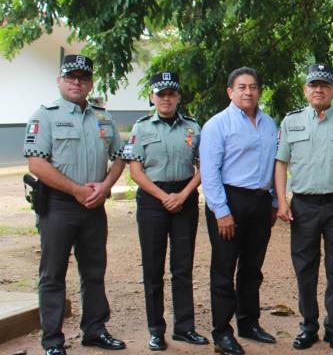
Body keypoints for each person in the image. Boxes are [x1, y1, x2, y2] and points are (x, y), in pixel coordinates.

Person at [24, 54, 127, 355]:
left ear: (90, 82)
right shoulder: (45, 115)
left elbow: (121, 156)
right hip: (58, 206)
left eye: (83, 77)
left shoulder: (103, 117)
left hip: (94, 206)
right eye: (71, 77)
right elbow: (36, 163)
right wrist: (76, 190)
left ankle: (94, 330)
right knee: (53, 274)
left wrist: (105, 187)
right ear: (60, 81)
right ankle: (53, 341)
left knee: (94, 272)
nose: (77, 82)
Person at [274, 63, 333, 351]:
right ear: (306, 89)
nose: (319, 89)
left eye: (325, 85)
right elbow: (281, 162)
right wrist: (281, 199)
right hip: (303, 206)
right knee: (305, 269)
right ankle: (308, 326)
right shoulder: (291, 121)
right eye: (314, 85)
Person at [123, 72, 209, 351]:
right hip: (152, 200)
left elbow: (203, 167)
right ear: (152, 97)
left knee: (182, 267)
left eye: (171, 93)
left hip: (184, 198)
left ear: (178, 97)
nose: (166, 98)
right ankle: (156, 330)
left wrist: (183, 195)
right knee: (153, 268)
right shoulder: (142, 128)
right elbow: (136, 171)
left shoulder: (194, 128)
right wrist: (164, 197)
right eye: (161, 94)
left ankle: (185, 328)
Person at [199, 67, 279, 355]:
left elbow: (273, 165)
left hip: (260, 203)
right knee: (224, 269)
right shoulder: (216, 125)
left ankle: (249, 322)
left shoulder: (270, 123)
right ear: (230, 91)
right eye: (242, 87)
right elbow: (209, 172)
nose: (248, 92)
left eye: (253, 87)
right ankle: (222, 332)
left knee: (252, 268)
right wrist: (221, 211)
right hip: (229, 201)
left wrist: (273, 201)